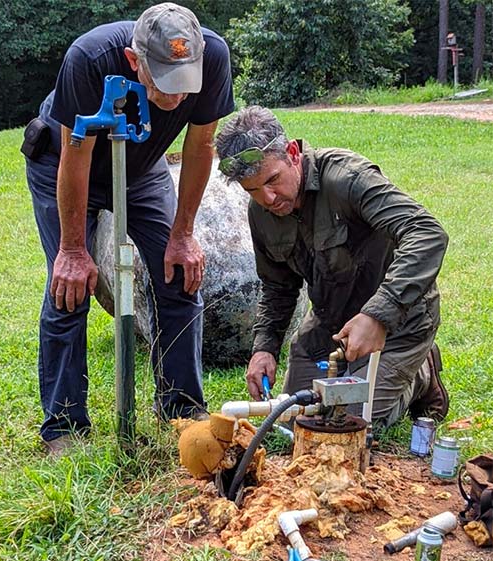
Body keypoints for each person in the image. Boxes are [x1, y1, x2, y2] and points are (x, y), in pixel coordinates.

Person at [23, 2, 234, 455]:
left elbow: (201, 146)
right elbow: (74, 158)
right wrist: (75, 250)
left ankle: (181, 411)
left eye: (185, 82)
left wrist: (183, 234)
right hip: (63, 162)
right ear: (135, 62)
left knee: (179, 272)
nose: (177, 97)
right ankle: (64, 427)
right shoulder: (90, 59)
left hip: (141, 168)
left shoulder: (213, 56)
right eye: (165, 83)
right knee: (71, 284)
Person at [215, 106, 450, 428]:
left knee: (349, 424)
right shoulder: (261, 212)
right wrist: (264, 349)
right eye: (253, 190)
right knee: (293, 421)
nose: (268, 198)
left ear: (293, 153)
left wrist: (379, 315)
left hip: (400, 323)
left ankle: (422, 373)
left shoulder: (347, 178)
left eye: (272, 180)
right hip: (331, 324)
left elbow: (426, 232)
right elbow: (277, 286)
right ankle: (365, 372)